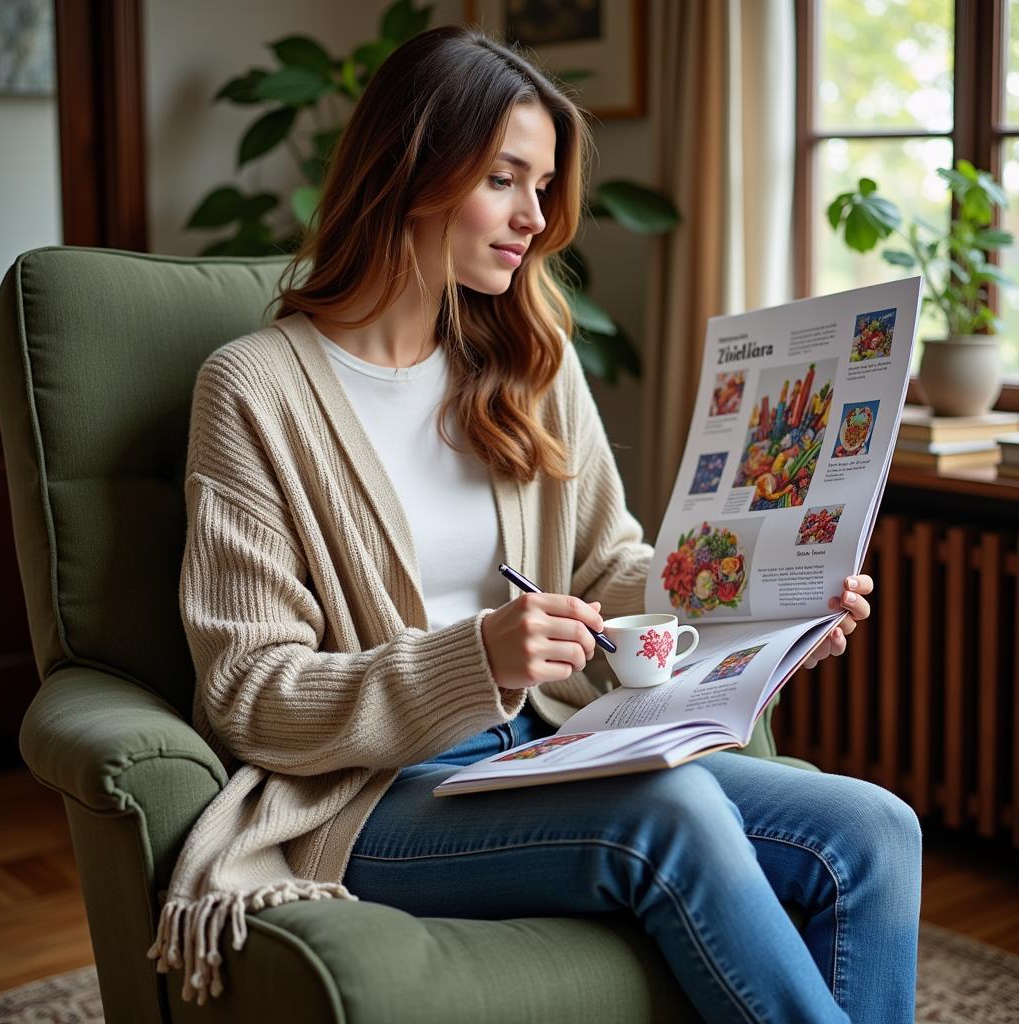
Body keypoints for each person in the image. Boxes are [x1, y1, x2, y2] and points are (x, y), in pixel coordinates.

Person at [149, 24, 922, 1022]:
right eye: (506, 179)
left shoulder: (528, 364)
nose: (536, 216)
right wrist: (474, 657)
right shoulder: (254, 390)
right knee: (673, 811)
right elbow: (247, 692)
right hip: (378, 793)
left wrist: (769, 599)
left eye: (544, 185)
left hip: (551, 748)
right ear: (414, 167)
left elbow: (611, 571)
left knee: (875, 829)